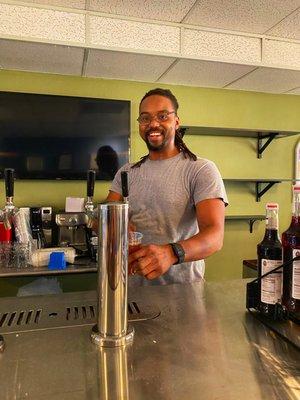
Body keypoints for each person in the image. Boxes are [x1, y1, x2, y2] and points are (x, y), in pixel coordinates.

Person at [107, 88, 228, 286]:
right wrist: (115, 224)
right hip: (131, 289)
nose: (153, 124)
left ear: (176, 122)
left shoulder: (200, 169)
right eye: (145, 118)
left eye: (162, 116)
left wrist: (172, 253)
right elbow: (103, 217)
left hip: (182, 293)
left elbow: (215, 236)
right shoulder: (126, 172)